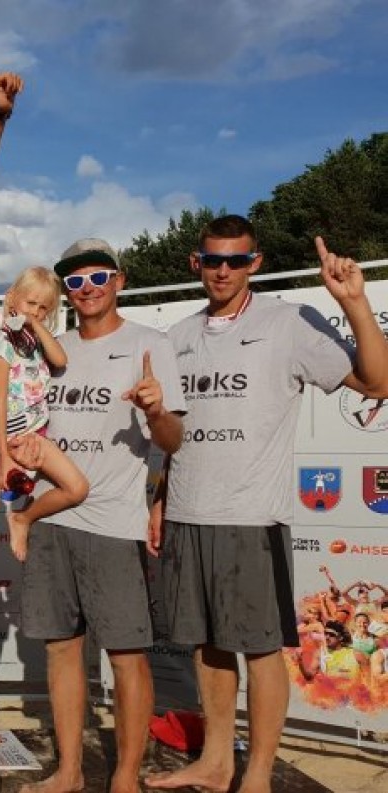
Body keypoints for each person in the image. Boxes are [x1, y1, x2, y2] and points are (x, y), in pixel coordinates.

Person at [147, 218, 388, 793]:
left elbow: (378, 384)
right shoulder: (177, 336)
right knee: (207, 647)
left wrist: (353, 303)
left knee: (259, 651)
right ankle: (216, 763)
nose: (223, 271)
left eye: (236, 260)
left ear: (255, 263)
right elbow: (175, 431)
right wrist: (160, 497)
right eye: (213, 260)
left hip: (253, 517)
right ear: (196, 263)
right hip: (187, 513)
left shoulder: (288, 322)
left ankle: (256, 775)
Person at [15, 238, 185, 793]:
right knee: (62, 650)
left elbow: (173, 441)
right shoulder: (49, 347)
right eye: (75, 280)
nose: (86, 288)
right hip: (52, 518)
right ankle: (69, 771)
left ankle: (126, 777)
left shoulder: (151, 344)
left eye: (98, 277)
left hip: (114, 525)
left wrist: (156, 411)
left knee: (128, 657)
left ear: (120, 281)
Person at [0, 267, 88, 561]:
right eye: (30, 303)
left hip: (38, 434)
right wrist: (4, 456)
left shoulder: (36, 343)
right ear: (12, 298)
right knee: (77, 488)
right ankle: (22, 518)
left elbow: (60, 358)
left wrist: (35, 324)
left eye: (44, 308)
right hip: (18, 439)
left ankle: (23, 516)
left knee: (74, 489)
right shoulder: (3, 343)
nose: (36, 311)